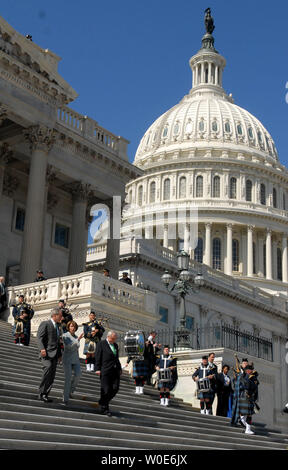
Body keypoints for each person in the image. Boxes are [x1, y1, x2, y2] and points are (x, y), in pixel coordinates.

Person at [37, 307, 63, 403]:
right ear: (55, 315)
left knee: (52, 375)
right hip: (46, 353)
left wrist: (60, 355)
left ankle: (45, 394)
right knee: (47, 369)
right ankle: (41, 392)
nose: (61, 317)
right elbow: (39, 338)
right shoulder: (45, 324)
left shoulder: (58, 327)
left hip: (55, 354)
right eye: (60, 316)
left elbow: (58, 342)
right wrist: (42, 349)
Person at [95, 330, 122, 416]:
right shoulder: (101, 344)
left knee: (115, 388)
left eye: (115, 339)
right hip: (105, 370)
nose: (114, 340)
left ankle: (102, 401)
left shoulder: (115, 345)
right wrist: (97, 368)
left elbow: (116, 358)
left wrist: (119, 368)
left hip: (115, 370)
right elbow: (98, 356)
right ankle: (104, 409)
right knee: (106, 390)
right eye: (113, 339)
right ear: (108, 337)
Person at [231, 362, 259, 434]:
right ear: (247, 370)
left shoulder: (242, 376)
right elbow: (251, 387)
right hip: (247, 396)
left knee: (244, 413)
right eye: (251, 369)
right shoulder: (247, 377)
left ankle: (245, 425)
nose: (252, 371)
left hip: (242, 396)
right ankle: (247, 429)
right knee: (248, 414)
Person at [62, 320, 84, 405]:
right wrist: (78, 340)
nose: (73, 328)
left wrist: (77, 339)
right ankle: (65, 398)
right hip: (67, 359)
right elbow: (68, 347)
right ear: (68, 327)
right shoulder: (65, 336)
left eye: (74, 326)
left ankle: (70, 390)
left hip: (75, 359)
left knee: (78, 374)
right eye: (71, 326)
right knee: (68, 378)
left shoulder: (76, 336)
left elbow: (76, 349)